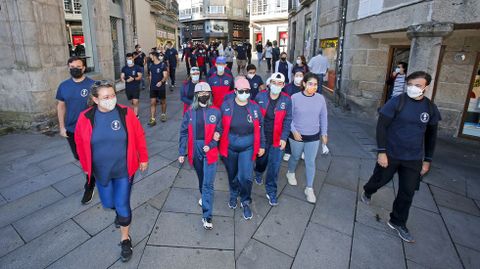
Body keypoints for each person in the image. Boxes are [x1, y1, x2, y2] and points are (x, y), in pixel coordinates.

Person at [361, 71, 441, 243]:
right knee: (380, 180)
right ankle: (368, 190)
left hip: (413, 158)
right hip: (391, 154)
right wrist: (381, 151)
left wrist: (427, 160)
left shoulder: (429, 108)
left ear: (426, 87)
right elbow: (382, 126)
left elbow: (431, 136)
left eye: (418, 85)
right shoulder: (397, 102)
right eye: (410, 84)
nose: (413, 88)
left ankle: (397, 221)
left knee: (408, 192)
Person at [74, 81, 148, 262]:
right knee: (108, 203)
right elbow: (80, 144)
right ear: (95, 99)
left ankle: (125, 239)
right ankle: (118, 212)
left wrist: (143, 157)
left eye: (113, 95)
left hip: (124, 168)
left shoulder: (125, 112)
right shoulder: (85, 117)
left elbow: (138, 135)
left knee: (122, 204)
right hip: (101, 172)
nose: (111, 100)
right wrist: (86, 168)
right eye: (106, 97)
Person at [219, 77, 265, 220]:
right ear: (235, 91)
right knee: (232, 174)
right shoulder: (226, 106)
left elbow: (260, 127)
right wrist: (215, 134)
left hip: (248, 146)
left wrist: (262, 144)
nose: (245, 93)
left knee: (245, 177)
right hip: (230, 146)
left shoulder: (255, 107)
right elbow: (220, 126)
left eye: (247, 91)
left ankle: (245, 200)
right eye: (241, 91)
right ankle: (234, 193)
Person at [178, 82, 222, 230]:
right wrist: (181, 151)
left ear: (210, 94)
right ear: (196, 95)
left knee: (208, 184)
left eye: (206, 93)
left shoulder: (216, 112)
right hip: (194, 149)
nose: (204, 96)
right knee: (202, 178)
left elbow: (220, 130)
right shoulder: (190, 112)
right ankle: (204, 196)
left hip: (210, 149)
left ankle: (207, 216)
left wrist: (215, 140)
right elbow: (184, 132)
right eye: (201, 93)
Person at [56, 56, 97, 205]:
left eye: (78, 66)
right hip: (72, 129)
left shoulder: (93, 85)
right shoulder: (63, 86)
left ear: (84, 68)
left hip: (90, 129)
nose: (75, 69)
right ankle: (92, 174)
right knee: (79, 156)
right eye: (72, 66)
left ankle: (90, 184)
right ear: (68, 68)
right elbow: (61, 106)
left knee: (90, 156)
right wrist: (62, 126)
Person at [286, 72, 329, 204]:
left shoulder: (320, 99)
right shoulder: (295, 97)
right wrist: (294, 131)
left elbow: (323, 117)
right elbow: (289, 117)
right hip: (297, 135)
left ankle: (309, 188)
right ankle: (290, 172)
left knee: (310, 162)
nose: (313, 87)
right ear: (304, 84)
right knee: (295, 156)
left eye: (316, 84)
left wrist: (324, 133)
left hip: (314, 136)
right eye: (310, 84)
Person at [254, 73, 292, 206]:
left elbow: (288, 120)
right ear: (269, 83)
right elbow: (255, 117)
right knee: (261, 161)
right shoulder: (260, 96)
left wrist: (284, 137)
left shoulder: (287, 100)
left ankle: (271, 191)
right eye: (274, 83)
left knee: (274, 167)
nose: (276, 86)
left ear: (283, 85)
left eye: (279, 83)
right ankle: (258, 172)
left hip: (277, 139)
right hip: (262, 138)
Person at [281, 70, 305, 162]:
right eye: (297, 75)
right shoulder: (287, 87)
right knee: (288, 131)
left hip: (302, 114)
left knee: (302, 132)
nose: (299, 77)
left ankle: (302, 151)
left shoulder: (305, 87)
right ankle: (288, 151)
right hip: (289, 113)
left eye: (301, 75)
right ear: (293, 76)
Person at [148, 51, 169, 125]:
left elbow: (165, 76)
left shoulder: (163, 65)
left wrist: (161, 82)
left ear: (154, 56)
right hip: (153, 87)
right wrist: (150, 85)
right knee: (152, 102)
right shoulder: (150, 65)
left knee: (163, 101)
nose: (150, 57)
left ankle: (163, 114)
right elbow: (150, 76)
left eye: (151, 56)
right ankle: (153, 118)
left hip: (161, 87)